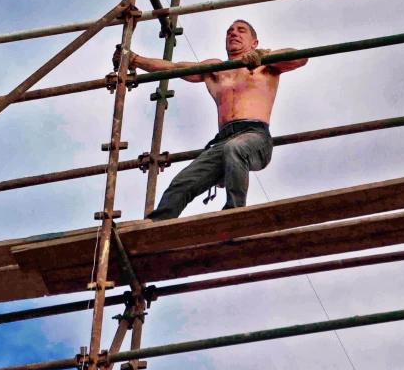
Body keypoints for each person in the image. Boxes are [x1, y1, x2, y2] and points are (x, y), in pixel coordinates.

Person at [113, 19, 308, 221]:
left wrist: (263, 56)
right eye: (229, 31)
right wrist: (133, 59)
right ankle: (154, 225)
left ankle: (234, 214)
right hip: (222, 141)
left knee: (235, 148)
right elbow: (173, 67)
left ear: (254, 43)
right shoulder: (216, 70)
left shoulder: (265, 66)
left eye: (241, 31)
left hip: (255, 136)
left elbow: (301, 57)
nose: (234, 34)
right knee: (182, 182)